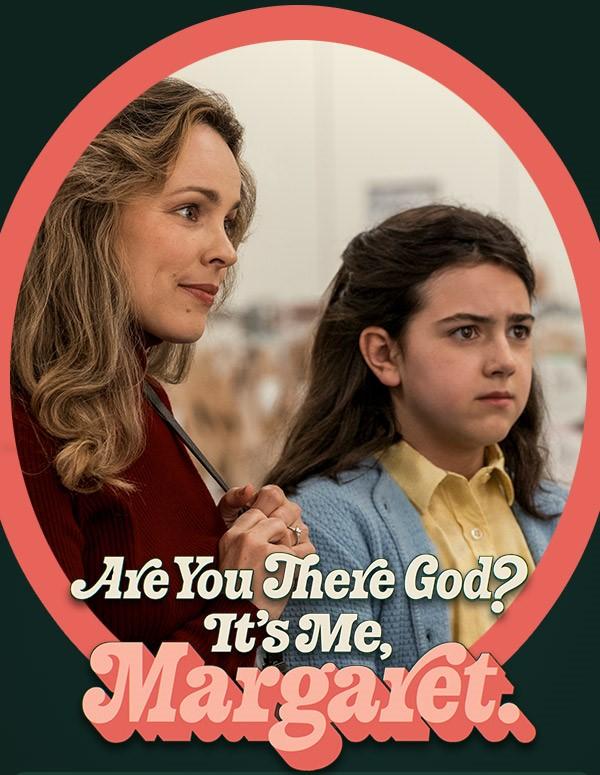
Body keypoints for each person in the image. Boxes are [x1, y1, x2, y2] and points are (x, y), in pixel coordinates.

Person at [11, 77, 313, 677]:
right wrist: (244, 606)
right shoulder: (22, 424)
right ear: (87, 214)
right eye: (189, 211)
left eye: (229, 221)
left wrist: (215, 549)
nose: (226, 250)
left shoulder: (144, 397)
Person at [266, 204, 566, 675]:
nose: (505, 360)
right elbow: (342, 730)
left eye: (519, 331)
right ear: (384, 354)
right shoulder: (324, 527)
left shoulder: (559, 513)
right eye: (467, 332)